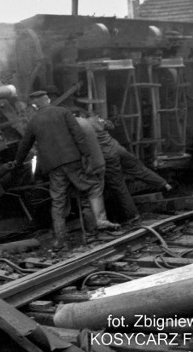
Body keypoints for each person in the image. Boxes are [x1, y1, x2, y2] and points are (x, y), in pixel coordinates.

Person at [12, 91, 119, 250]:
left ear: (35, 105)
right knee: (90, 190)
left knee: (58, 203)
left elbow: (25, 144)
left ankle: (60, 241)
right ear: (48, 100)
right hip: (73, 161)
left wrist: (17, 163)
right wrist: (86, 155)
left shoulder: (34, 121)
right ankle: (93, 233)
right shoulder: (63, 112)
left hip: (54, 168)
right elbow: (78, 135)